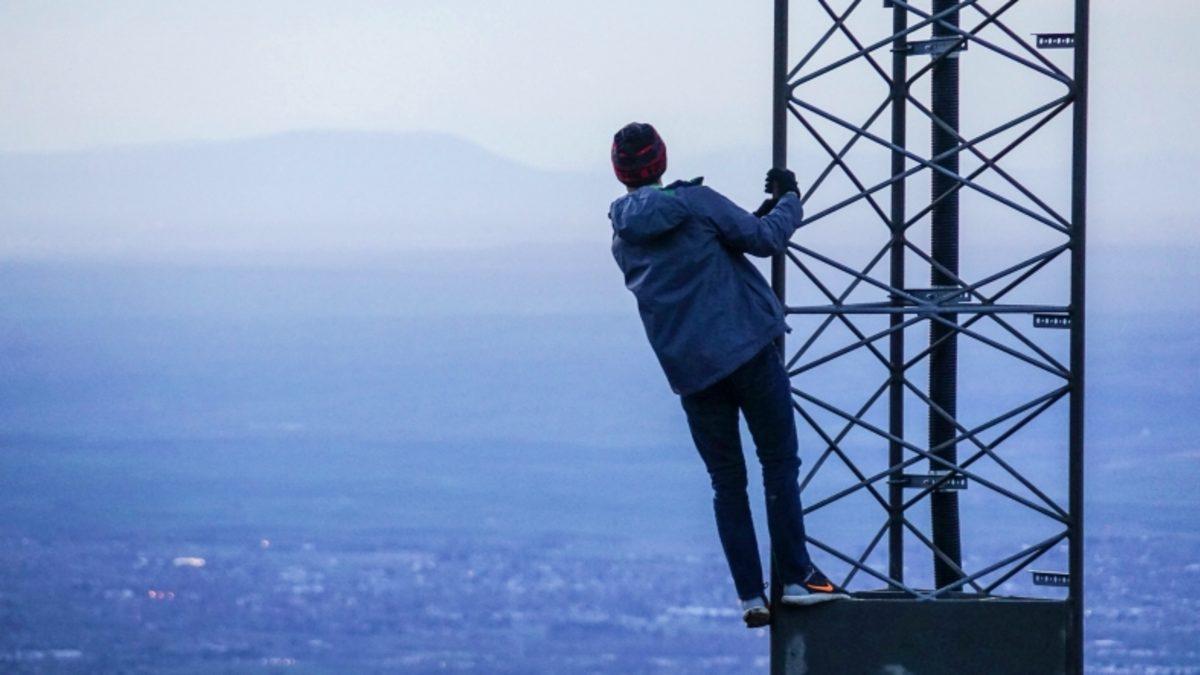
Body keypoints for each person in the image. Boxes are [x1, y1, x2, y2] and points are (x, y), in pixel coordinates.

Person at [607, 122, 849, 628]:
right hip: (749, 352)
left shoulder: (622, 237)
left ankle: (750, 596)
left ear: (620, 172)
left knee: (726, 482)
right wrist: (790, 199)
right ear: (662, 159)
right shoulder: (696, 201)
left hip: (693, 374)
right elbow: (764, 241)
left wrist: (747, 218)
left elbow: (698, 257)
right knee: (778, 462)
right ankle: (797, 576)